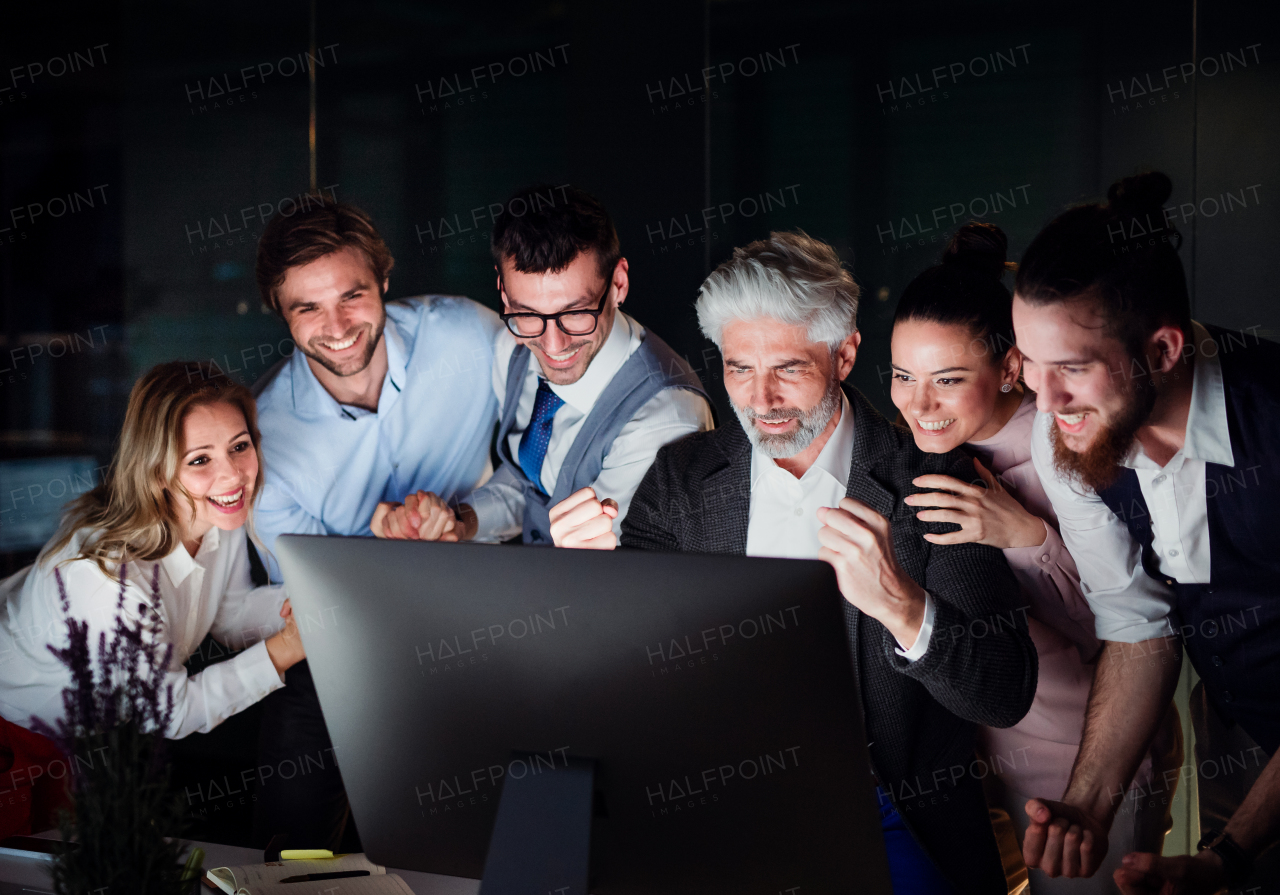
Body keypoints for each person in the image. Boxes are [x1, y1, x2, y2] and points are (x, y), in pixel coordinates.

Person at [550, 231, 1038, 894]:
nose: (760, 399)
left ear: (844, 354)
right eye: (738, 368)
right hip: (720, 799)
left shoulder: (929, 480)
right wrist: (591, 582)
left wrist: (901, 604)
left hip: (885, 809)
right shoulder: (682, 478)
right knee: (544, 851)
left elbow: (1004, 691)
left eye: (787, 368)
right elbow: (630, 672)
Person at [889, 221, 1181, 893]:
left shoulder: (1073, 441)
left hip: (1082, 754)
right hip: (971, 751)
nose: (918, 402)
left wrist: (1026, 535)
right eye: (903, 374)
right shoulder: (921, 453)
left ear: (1011, 367)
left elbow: (1133, 622)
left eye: (948, 378)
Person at [1013, 171, 1280, 894]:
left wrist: (1231, 854)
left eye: (1071, 369)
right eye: (1029, 366)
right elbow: (1139, 625)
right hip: (1240, 732)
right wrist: (1088, 806)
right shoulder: (1067, 429)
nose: (1044, 401)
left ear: (1162, 351)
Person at [250, 196, 500, 850]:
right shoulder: (264, 446)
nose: (336, 325)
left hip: (481, 626)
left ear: (384, 279)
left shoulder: (470, 337)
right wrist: (376, 544)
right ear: (282, 313)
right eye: (307, 307)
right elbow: (300, 597)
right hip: (339, 655)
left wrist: (467, 519)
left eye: (353, 295)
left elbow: (548, 449)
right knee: (293, 854)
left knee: (470, 849)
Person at [371, 184, 713, 545]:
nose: (553, 345)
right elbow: (532, 482)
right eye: (529, 314)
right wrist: (462, 522)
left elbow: (617, 570)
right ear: (504, 293)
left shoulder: (665, 420)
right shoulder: (512, 345)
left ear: (618, 284)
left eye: (576, 313)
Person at [0, 362, 304, 740]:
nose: (233, 476)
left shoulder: (215, 512)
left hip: (110, 735)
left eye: (239, 447)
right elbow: (170, 714)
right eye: (199, 459)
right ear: (157, 470)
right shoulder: (104, 578)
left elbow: (232, 613)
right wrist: (288, 647)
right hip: (20, 731)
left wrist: (310, 603)